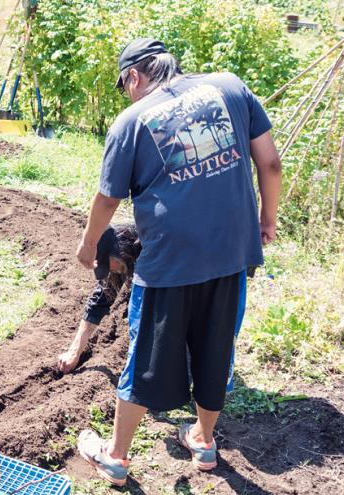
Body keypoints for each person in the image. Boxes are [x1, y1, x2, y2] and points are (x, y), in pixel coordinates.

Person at [70, 38, 282, 486]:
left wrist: (89, 246)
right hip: (230, 254)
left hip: (168, 261)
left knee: (145, 355)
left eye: (124, 86)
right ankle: (204, 442)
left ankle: (116, 457)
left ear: (134, 76)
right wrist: (267, 220)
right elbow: (271, 163)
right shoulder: (230, 86)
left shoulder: (130, 121)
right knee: (216, 346)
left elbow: (108, 198)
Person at [56, 224, 136, 375]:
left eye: (107, 264)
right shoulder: (119, 262)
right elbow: (100, 299)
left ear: (120, 251)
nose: (109, 270)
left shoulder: (151, 252)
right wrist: (75, 351)